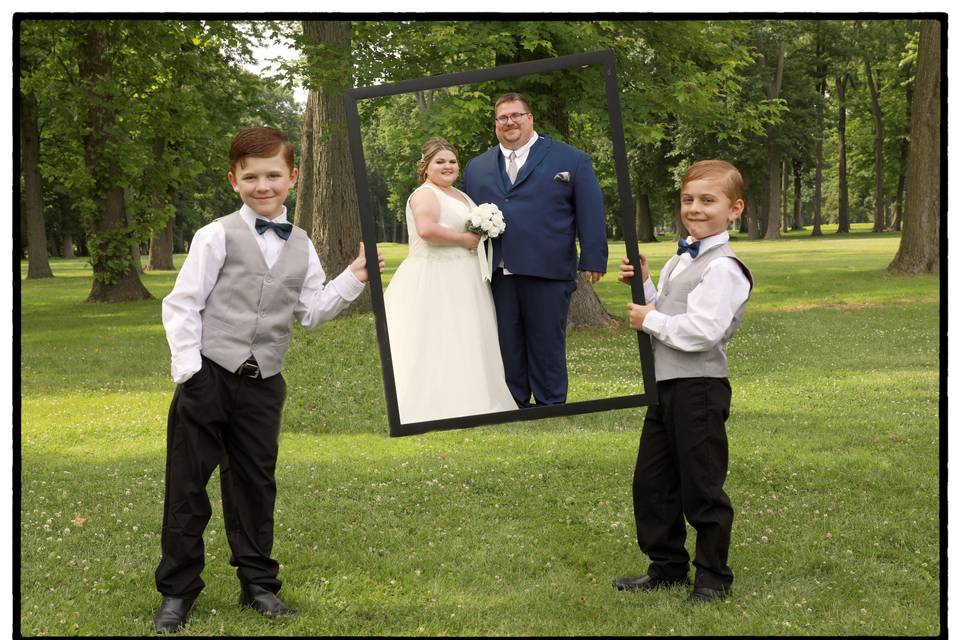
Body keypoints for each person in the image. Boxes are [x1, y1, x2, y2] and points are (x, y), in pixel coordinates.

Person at [153, 126, 384, 633]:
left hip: (264, 383)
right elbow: (183, 304)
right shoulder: (214, 235)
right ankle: (177, 592)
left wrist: (357, 276)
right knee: (188, 488)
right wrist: (190, 372)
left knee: (255, 486)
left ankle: (258, 584)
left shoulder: (302, 245)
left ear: (293, 177)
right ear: (234, 180)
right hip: (209, 375)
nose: (263, 185)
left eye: (273, 175)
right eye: (251, 176)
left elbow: (313, 311)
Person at [612, 159, 753, 603]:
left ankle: (713, 577)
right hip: (665, 386)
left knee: (701, 485)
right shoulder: (682, 256)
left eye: (708, 200)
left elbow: (703, 331)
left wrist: (650, 319)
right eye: (688, 199)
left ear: (734, 209)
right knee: (652, 483)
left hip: (699, 389)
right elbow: (672, 313)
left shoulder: (725, 267)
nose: (694, 208)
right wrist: (649, 284)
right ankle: (667, 565)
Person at [461, 92, 607, 408]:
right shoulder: (476, 168)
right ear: (496, 124)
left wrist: (593, 256)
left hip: (548, 268)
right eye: (502, 118)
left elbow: (590, 211)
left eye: (516, 115)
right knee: (505, 342)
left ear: (530, 119)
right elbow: (466, 218)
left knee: (546, 342)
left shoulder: (571, 160)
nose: (509, 122)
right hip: (496, 271)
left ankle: (550, 403)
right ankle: (512, 403)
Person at [384, 137, 517, 424]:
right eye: (440, 162)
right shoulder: (425, 194)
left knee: (467, 335)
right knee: (441, 336)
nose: (448, 166)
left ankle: (476, 398)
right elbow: (427, 230)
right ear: (426, 167)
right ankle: (439, 405)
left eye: (452, 161)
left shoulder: (459, 195)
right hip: (436, 276)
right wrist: (466, 239)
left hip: (465, 276)